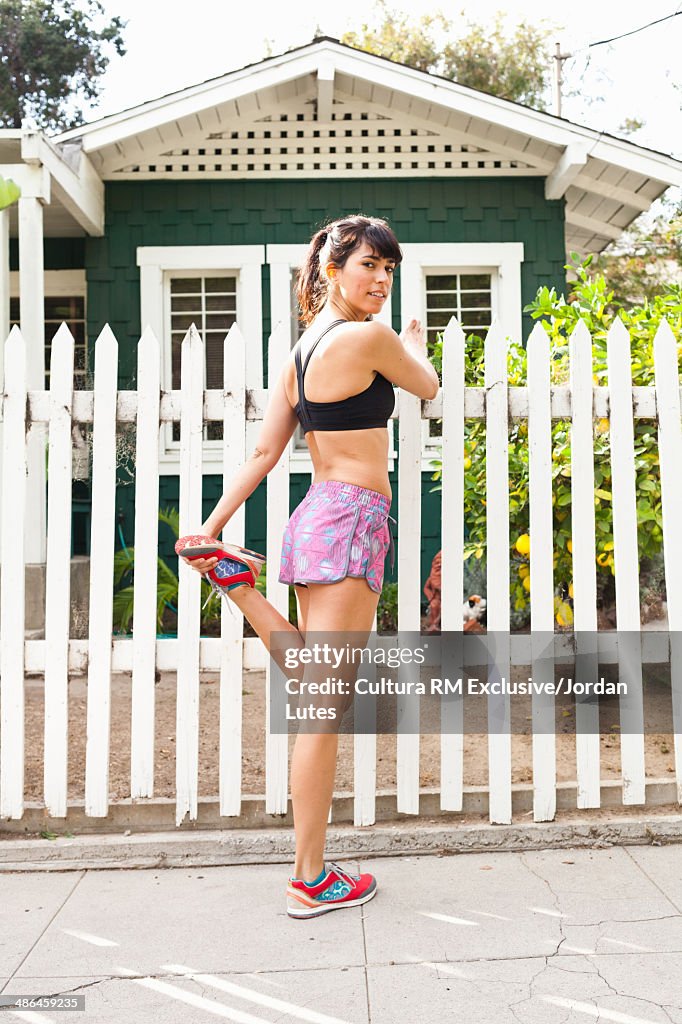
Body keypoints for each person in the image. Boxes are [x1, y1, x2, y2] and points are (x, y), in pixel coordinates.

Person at [178, 214, 439, 919]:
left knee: (312, 686)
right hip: (352, 522)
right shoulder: (367, 337)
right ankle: (311, 876)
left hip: (313, 519)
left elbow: (266, 454)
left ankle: (241, 591)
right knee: (322, 709)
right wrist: (412, 342)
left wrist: (211, 526)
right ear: (332, 270)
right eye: (368, 267)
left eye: (389, 268)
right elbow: (430, 385)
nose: (382, 280)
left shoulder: (301, 351)